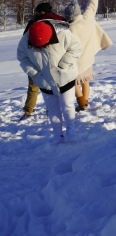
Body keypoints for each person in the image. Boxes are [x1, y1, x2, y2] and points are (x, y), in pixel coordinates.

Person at [17, 12, 83, 143]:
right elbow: (22, 57)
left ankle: (71, 129)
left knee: (67, 105)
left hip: (66, 77)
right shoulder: (26, 40)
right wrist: (34, 72)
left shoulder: (63, 33)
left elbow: (76, 48)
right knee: (53, 110)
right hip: (44, 80)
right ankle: (57, 135)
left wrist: (64, 64)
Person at [65, 0, 112, 111]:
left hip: (74, 63)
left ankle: (81, 102)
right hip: (87, 60)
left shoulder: (67, 30)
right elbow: (92, 5)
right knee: (85, 82)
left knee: (73, 83)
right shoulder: (86, 19)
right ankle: (85, 102)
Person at [20, 2, 67, 118]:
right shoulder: (62, 22)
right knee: (54, 85)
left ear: (41, 12)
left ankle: (28, 111)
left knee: (33, 86)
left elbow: (25, 39)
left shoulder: (35, 23)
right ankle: (51, 109)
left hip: (36, 57)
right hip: (57, 57)